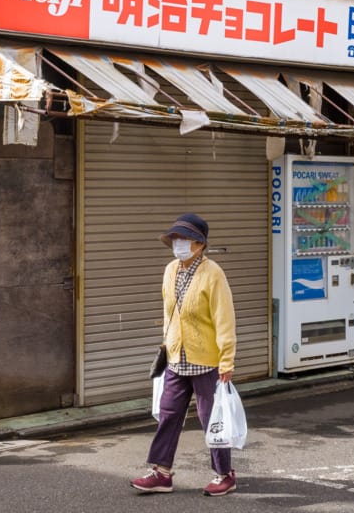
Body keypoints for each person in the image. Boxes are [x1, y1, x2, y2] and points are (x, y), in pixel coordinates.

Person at [130, 213, 238, 497]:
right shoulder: (170, 270)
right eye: (175, 238)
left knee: (211, 419)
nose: (178, 243)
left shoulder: (213, 273)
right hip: (177, 359)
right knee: (168, 415)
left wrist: (227, 360)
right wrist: (166, 345)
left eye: (184, 238)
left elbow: (224, 318)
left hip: (207, 361)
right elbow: (169, 313)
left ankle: (224, 475)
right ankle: (161, 473)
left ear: (200, 244)